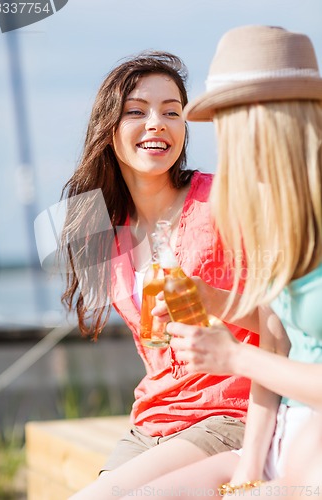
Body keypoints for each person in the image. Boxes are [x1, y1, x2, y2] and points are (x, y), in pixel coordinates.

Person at [119, 25, 322, 499]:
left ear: (266, 118)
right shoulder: (276, 212)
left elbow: (259, 354)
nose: (223, 142)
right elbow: (277, 336)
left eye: (228, 120)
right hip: (276, 437)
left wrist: (232, 355)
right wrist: (250, 465)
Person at [59, 51, 258, 499]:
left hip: (229, 411)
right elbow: (155, 350)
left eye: (172, 111)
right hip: (152, 420)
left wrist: (212, 300)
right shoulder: (101, 230)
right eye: (137, 111)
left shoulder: (223, 201)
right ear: (109, 130)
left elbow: (281, 322)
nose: (157, 122)